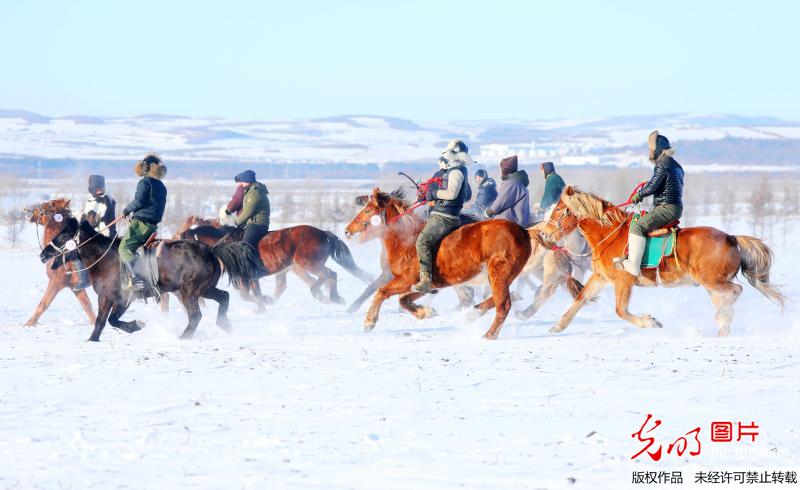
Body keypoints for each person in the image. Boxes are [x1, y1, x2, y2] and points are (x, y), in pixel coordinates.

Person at [614, 131, 684, 276]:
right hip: (674, 207)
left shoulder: (662, 164)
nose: (649, 151)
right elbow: (659, 183)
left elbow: (653, 186)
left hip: (666, 208)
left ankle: (633, 265)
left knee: (637, 226)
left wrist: (638, 195)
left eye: (650, 148)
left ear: (657, 149)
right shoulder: (675, 165)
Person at [412, 139, 473, 293]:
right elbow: (465, 196)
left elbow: (452, 194)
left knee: (422, 242)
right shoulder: (455, 170)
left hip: (444, 216)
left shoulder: (456, 172)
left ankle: (426, 280)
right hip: (443, 213)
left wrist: (433, 193)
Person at [119, 153, 168, 290]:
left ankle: (137, 279)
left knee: (124, 248)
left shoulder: (144, 182)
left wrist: (126, 210)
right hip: (152, 226)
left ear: (145, 168)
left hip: (140, 224)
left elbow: (139, 201)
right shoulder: (161, 186)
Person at [484, 155, 531, 227]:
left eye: (501, 169)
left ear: (505, 170)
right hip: (520, 219)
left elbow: (500, 203)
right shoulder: (518, 182)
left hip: (512, 221)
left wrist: (488, 212)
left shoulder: (511, 183)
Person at [232, 170, 270, 251]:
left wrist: (236, 222)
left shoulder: (255, 193)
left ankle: (250, 263)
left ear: (247, 181)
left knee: (245, 247)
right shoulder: (250, 191)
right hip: (252, 223)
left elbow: (248, 211)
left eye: (242, 181)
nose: (241, 184)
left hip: (257, 224)